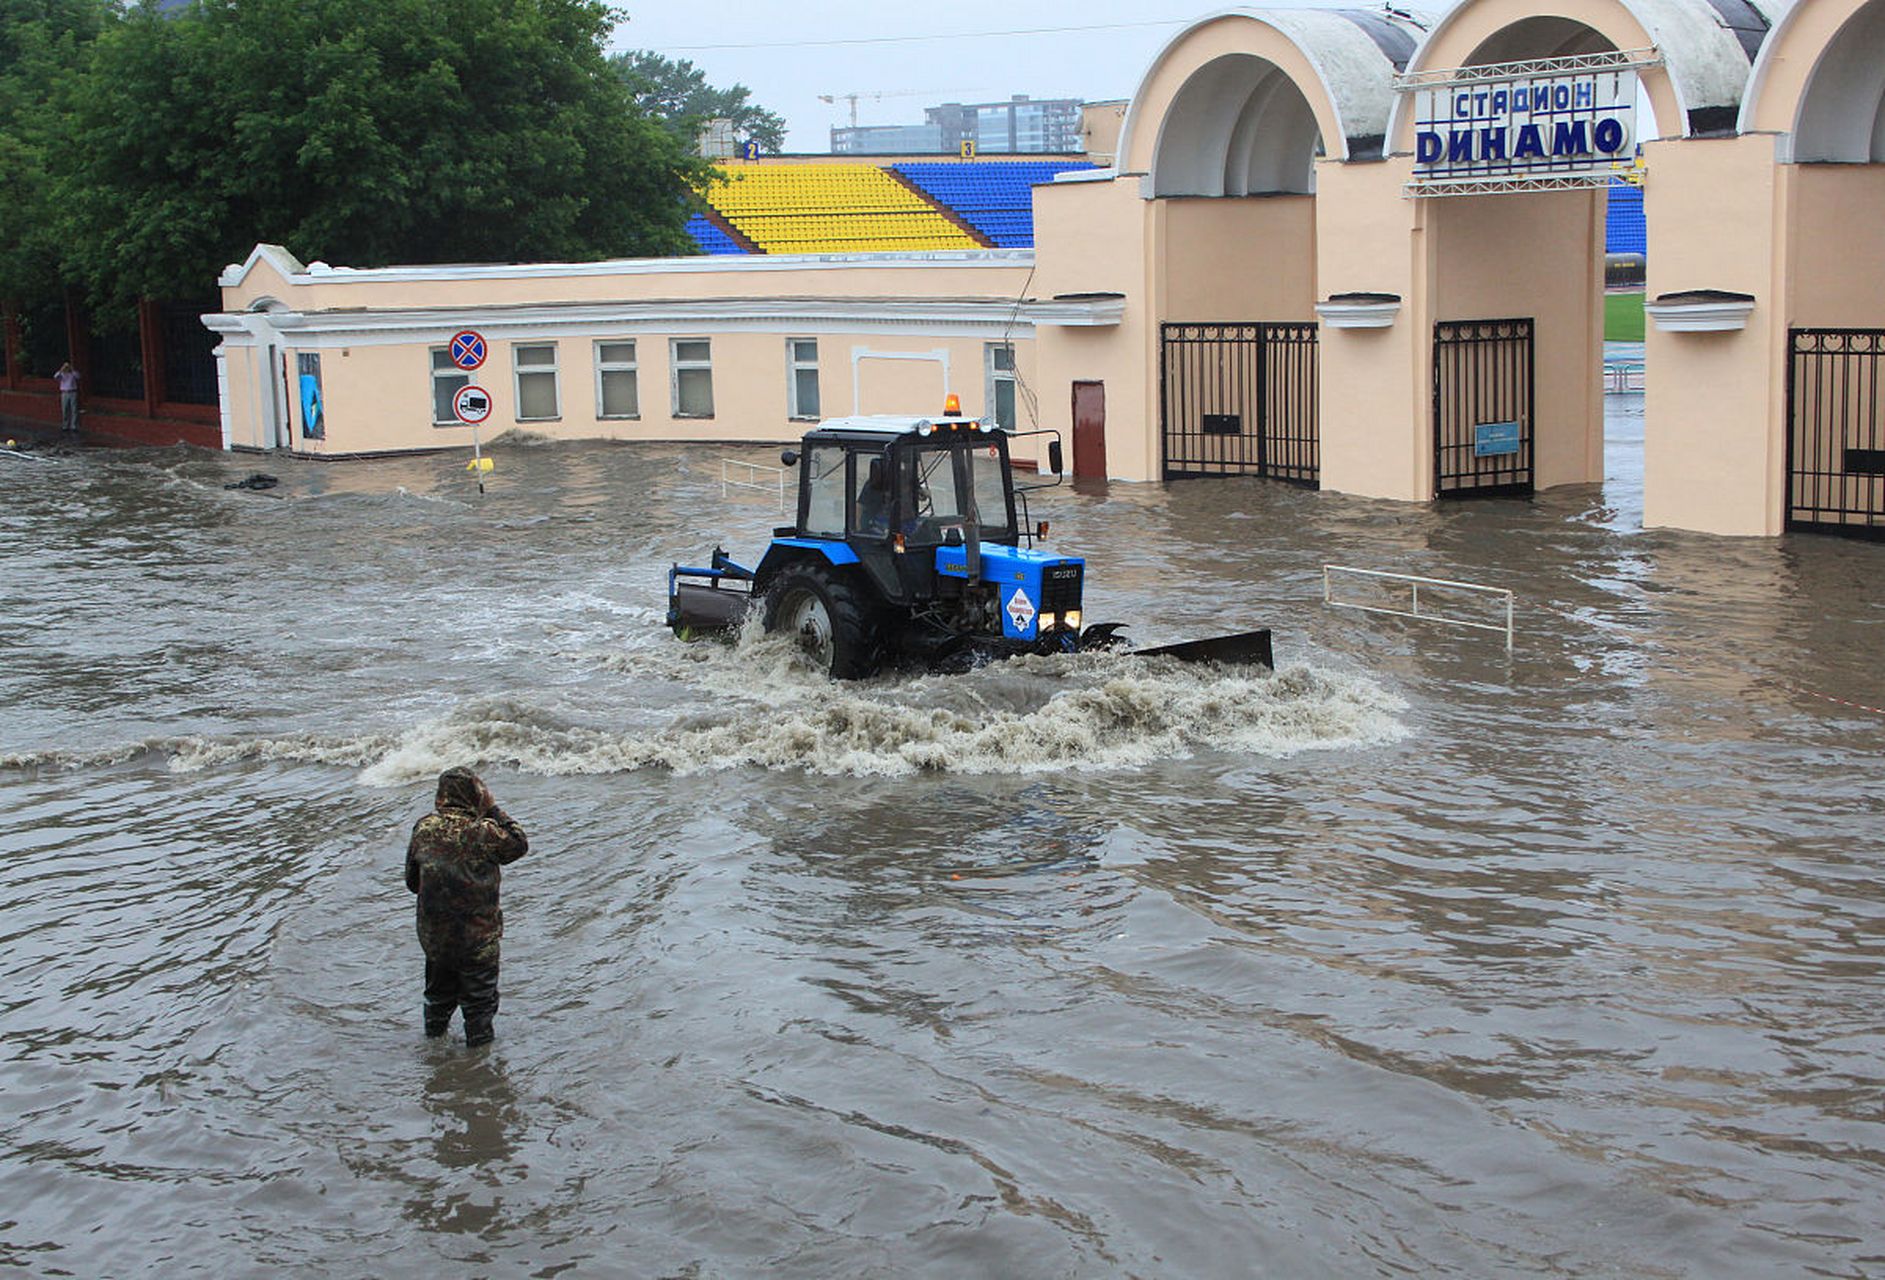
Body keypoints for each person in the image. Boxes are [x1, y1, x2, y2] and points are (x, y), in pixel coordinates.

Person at [405, 766, 529, 1046]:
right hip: (477, 939)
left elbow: (412, 882)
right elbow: (520, 843)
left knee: (437, 998)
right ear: (476, 795)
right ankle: (477, 1069)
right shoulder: (484, 832)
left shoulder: (424, 828)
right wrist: (493, 808)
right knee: (479, 1006)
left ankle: (434, 1052)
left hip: (435, 938)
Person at [855, 454, 892, 535]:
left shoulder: (902, 480)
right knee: (899, 545)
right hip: (879, 524)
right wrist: (858, 527)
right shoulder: (873, 483)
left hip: (902, 523)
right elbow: (860, 505)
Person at [54, 362, 80, 434]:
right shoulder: (62, 374)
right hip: (64, 393)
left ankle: (74, 426)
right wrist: (61, 370)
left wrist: (71, 369)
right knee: (65, 409)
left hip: (73, 392)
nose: (67, 368)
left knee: (74, 409)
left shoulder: (73, 374)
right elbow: (55, 376)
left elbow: (78, 376)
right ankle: (65, 425)